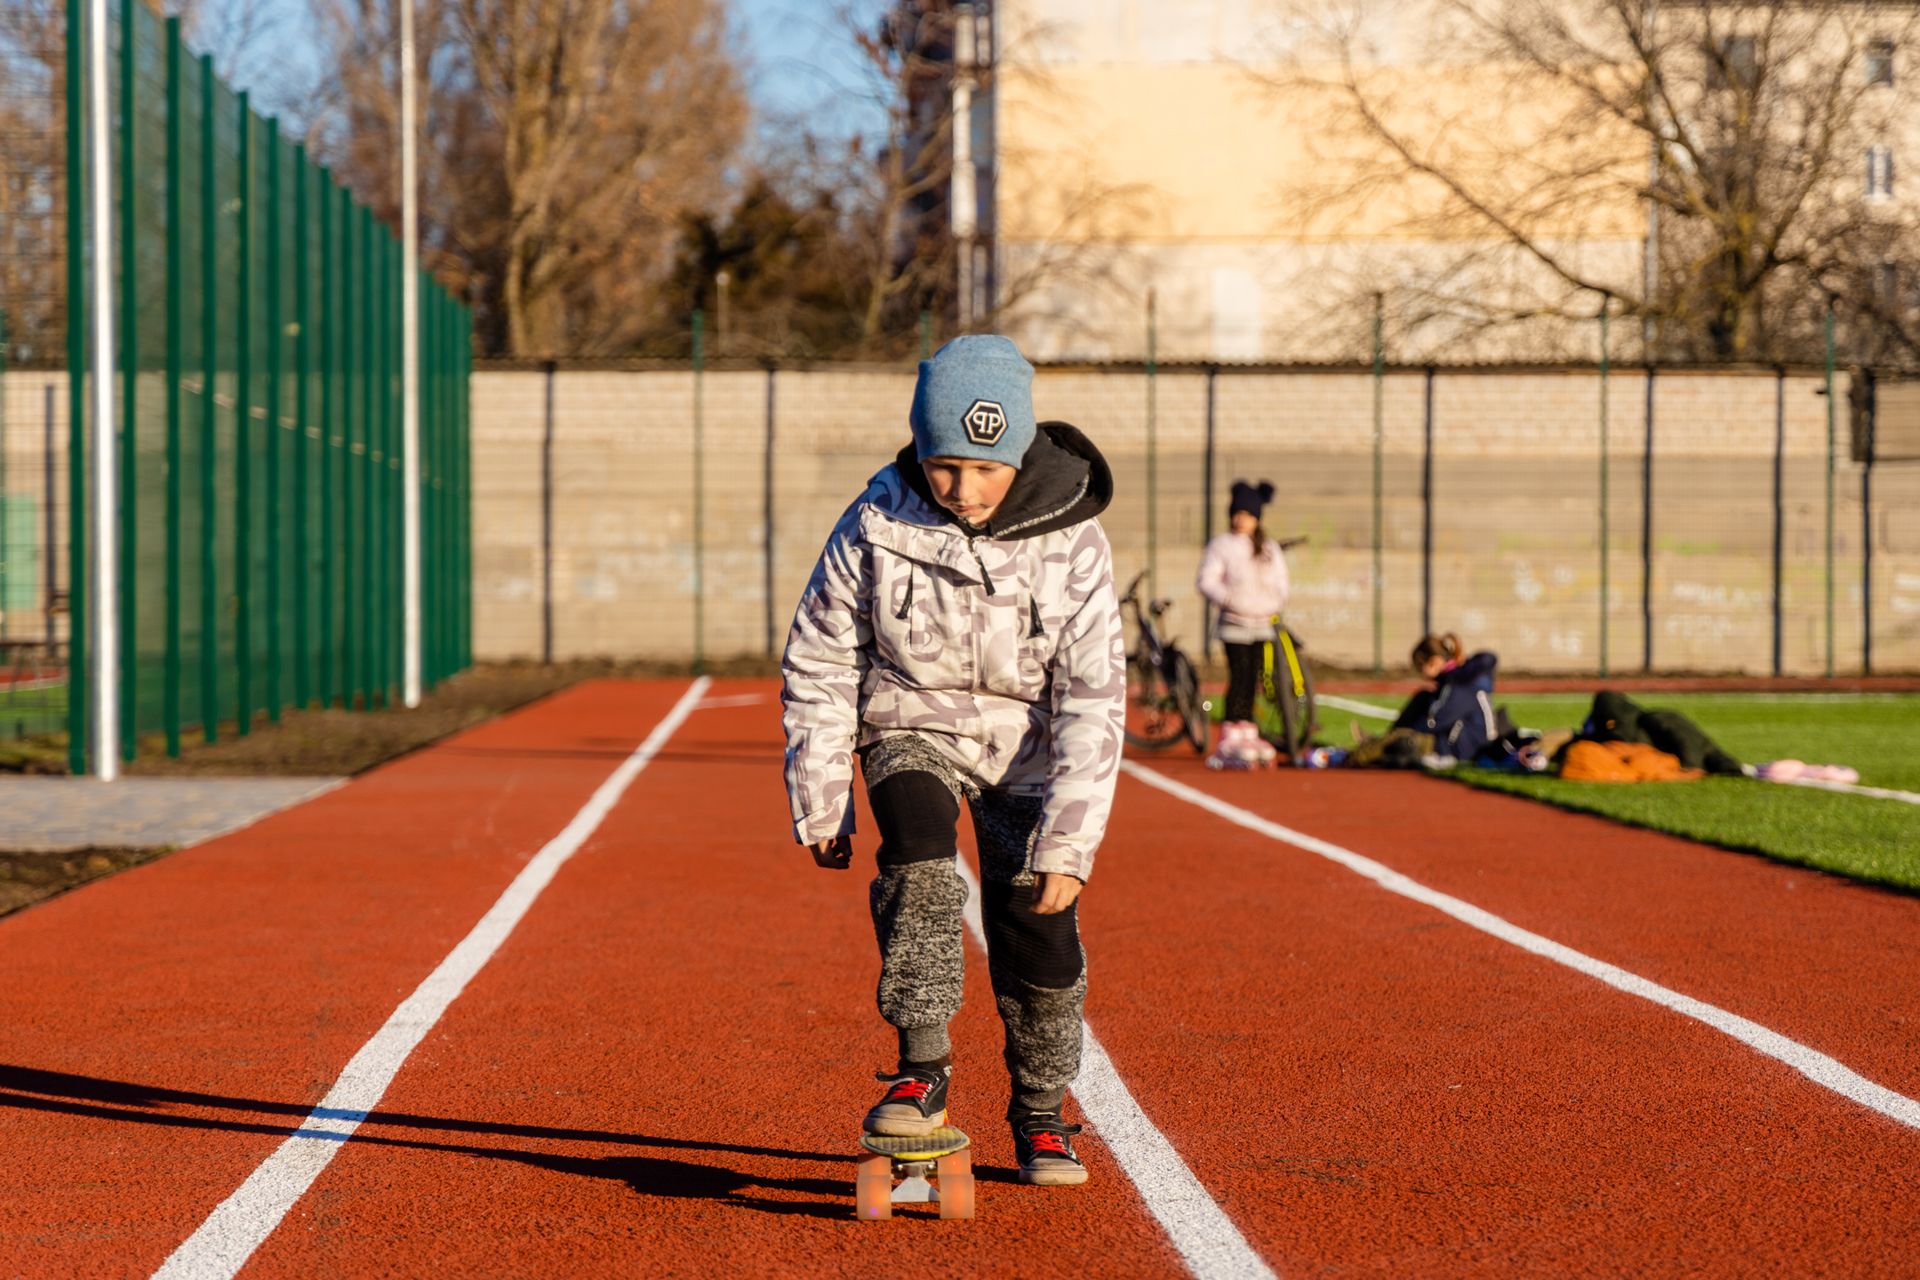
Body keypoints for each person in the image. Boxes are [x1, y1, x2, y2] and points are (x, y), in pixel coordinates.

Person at [780, 335, 1126, 1188]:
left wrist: (1069, 848)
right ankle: (921, 1067)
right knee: (922, 860)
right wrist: (823, 797)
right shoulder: (878, 514)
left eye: (983, 469)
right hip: (912, 720)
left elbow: (1093, 696)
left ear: (1015, 452)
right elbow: (822, 657)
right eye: (943, 467)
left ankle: (1041, 1113)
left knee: (1037, 928)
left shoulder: (1073, 538)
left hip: (1031, 749)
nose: (961, 490)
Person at [1195, 480, 1290, 768]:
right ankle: (1231, 731)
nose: (1240, 519)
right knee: (1239, 675)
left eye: (1246, 514)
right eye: (1237, 513)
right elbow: (1206, 581)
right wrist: (1230, 599)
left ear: (1256, 517)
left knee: (1256, 677)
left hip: (1262, 623)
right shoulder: (1221, 545)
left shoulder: (1268, 547)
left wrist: (1271, 604)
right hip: (1234, 624)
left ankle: (1248, 728)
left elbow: (1281, 583)